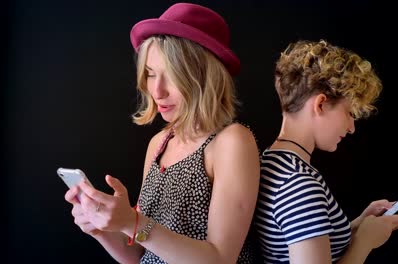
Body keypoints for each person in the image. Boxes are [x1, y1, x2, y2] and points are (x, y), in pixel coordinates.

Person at [64, 3, 260, 263]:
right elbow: (139, 256)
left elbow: (220, 258)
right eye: (150, 74)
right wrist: (103, 228)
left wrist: (132, 223)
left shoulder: (232, 141)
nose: (157, 92)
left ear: (205, 78)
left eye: (173, 76)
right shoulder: (160, 143)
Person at [254, 40, 398, 263]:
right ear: (321, 104)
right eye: (349, 113)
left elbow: (310, 239)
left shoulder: (271, 162)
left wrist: (359, 224)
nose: (352, 127)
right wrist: (365, 242)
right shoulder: (298, 183)